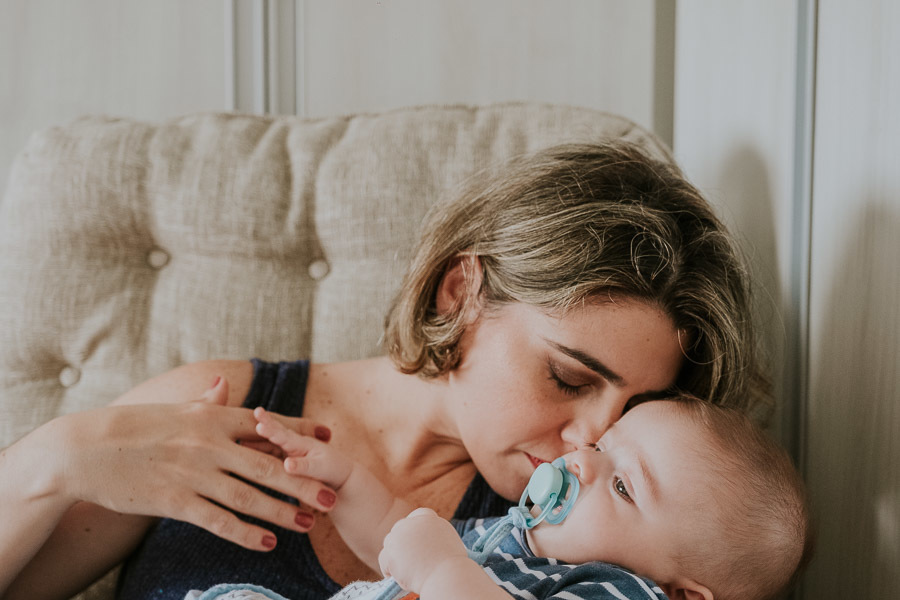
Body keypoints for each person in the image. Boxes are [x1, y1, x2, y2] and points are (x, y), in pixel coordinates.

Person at [0, 142, 771, 600]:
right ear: (460, 293)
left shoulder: (591, 539)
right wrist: (53, 462)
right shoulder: (224, 409)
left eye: (633, 411)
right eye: (568, 379)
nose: (589, 440)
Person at [210, 397, 811, 600]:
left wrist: (441, 569)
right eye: (603, 445)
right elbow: (397, 532)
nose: (581, 459)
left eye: (624, 486)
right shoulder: (512, 540)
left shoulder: (617, 590)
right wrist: (344, 483)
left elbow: (432, 564)